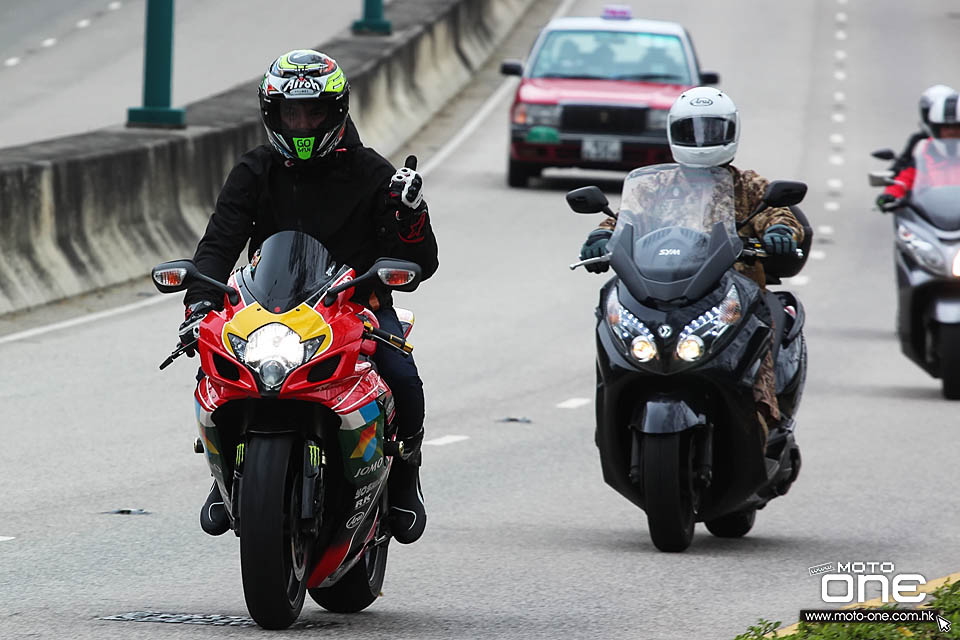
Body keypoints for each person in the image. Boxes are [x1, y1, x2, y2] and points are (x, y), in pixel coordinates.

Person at [179, 50, 438, 544]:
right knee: (212, 369)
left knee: (403, 378)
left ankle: (405, 480)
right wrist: (199, 304)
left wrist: (411, 216)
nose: (301, 122)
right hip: (264, 313)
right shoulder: (254, 170)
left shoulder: (373, 173)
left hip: (355, 308)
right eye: (290, 112)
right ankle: (226, 478)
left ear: (335, 111)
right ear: (271, 114)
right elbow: (217, 244)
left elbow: (421, 261)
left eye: (313, 111)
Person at [579, 87, 805, 436]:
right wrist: (600, 238)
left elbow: (779, 213)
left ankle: (762, 423)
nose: (701, 140)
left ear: (731, 131)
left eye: (711, 130)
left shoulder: (747, 184)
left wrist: (781, 232)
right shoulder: (652, 184)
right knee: (610, 321)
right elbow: (623, 219)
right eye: (691, 130)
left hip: (730, 296)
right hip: (659, 291)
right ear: (674, 132)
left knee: (757, 342)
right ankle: (613, 414)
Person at [879, 92, 960, 204]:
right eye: (946, 127)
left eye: (956, 127)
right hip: (930, 216)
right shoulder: (925, 151)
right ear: (936, 128)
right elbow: (905, 179)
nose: (951, 132)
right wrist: (890, 195)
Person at [885, 84, 957, 179]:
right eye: (946, 127)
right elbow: (906, 171)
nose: (950, 131)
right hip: (930, 192)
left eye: (954, 126)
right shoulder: (921, 144)